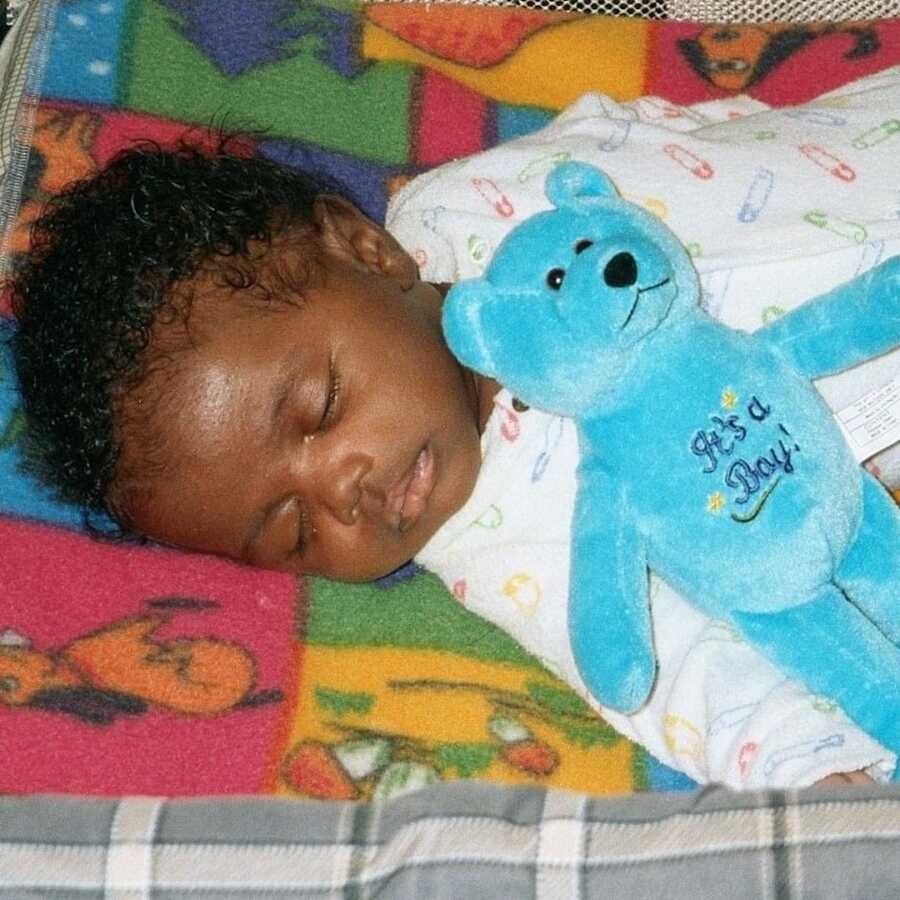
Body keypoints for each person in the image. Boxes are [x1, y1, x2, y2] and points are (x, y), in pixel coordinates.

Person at [9, 75, 899, 788]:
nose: (342, 490)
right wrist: (808, 759)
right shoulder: (495, 536)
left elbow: (647, 134)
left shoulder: (474, 204)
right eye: (294, 529)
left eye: (321, 408)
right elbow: (666, 667)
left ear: (365, 252)